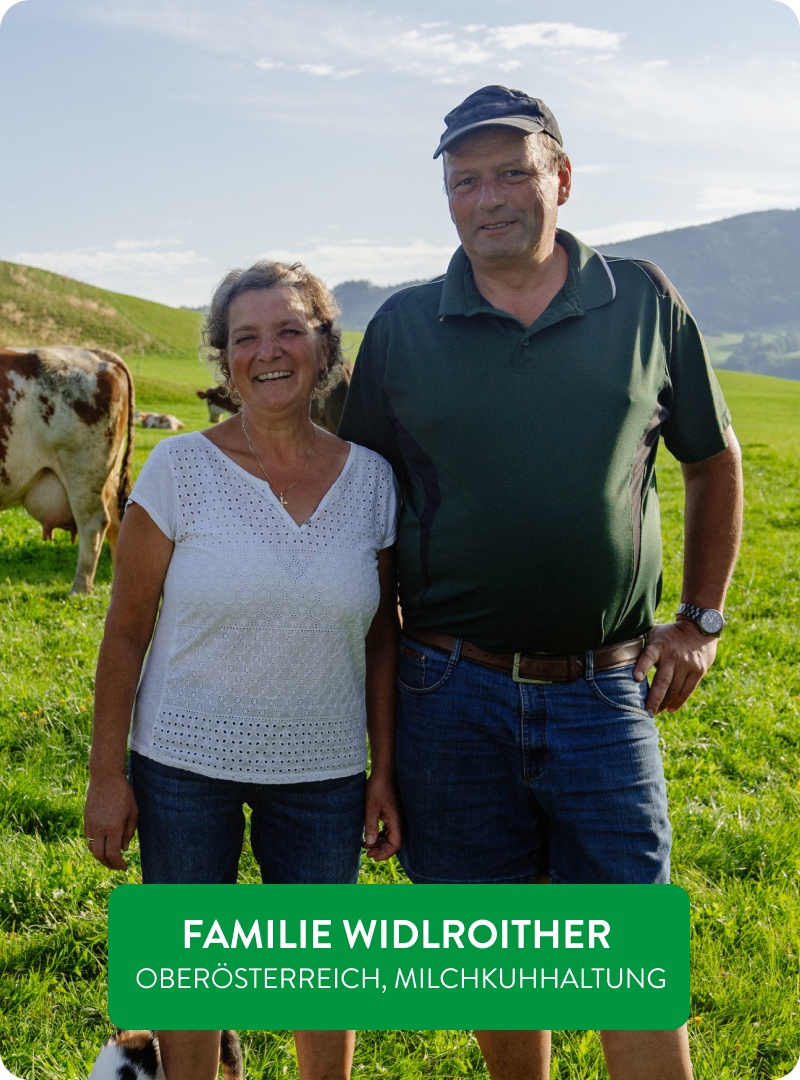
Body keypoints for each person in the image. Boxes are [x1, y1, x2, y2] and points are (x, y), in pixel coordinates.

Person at [338, 85, 744, 1080]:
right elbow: (359, 520)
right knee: (491, 957)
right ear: (445, 199)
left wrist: (696, 618)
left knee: (629, 955)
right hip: (446, 684)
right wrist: (373, 736)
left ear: (559, 178)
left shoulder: (641, 301)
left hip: (603, 686)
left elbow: (712, 456)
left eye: (511, 171)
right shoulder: (399, 329)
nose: (488, 198)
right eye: (463, 180)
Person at [84, 260, 401, 1080]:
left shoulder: (371, 481)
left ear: (324, 347)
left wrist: (384, 771)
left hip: (328, 769)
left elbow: (382, 640)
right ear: (223, 358)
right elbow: (124, 634)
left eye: (289, 330)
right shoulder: (179, 471)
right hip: (182, 765)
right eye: (245, 337)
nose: (268, 352)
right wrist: (106, 776)